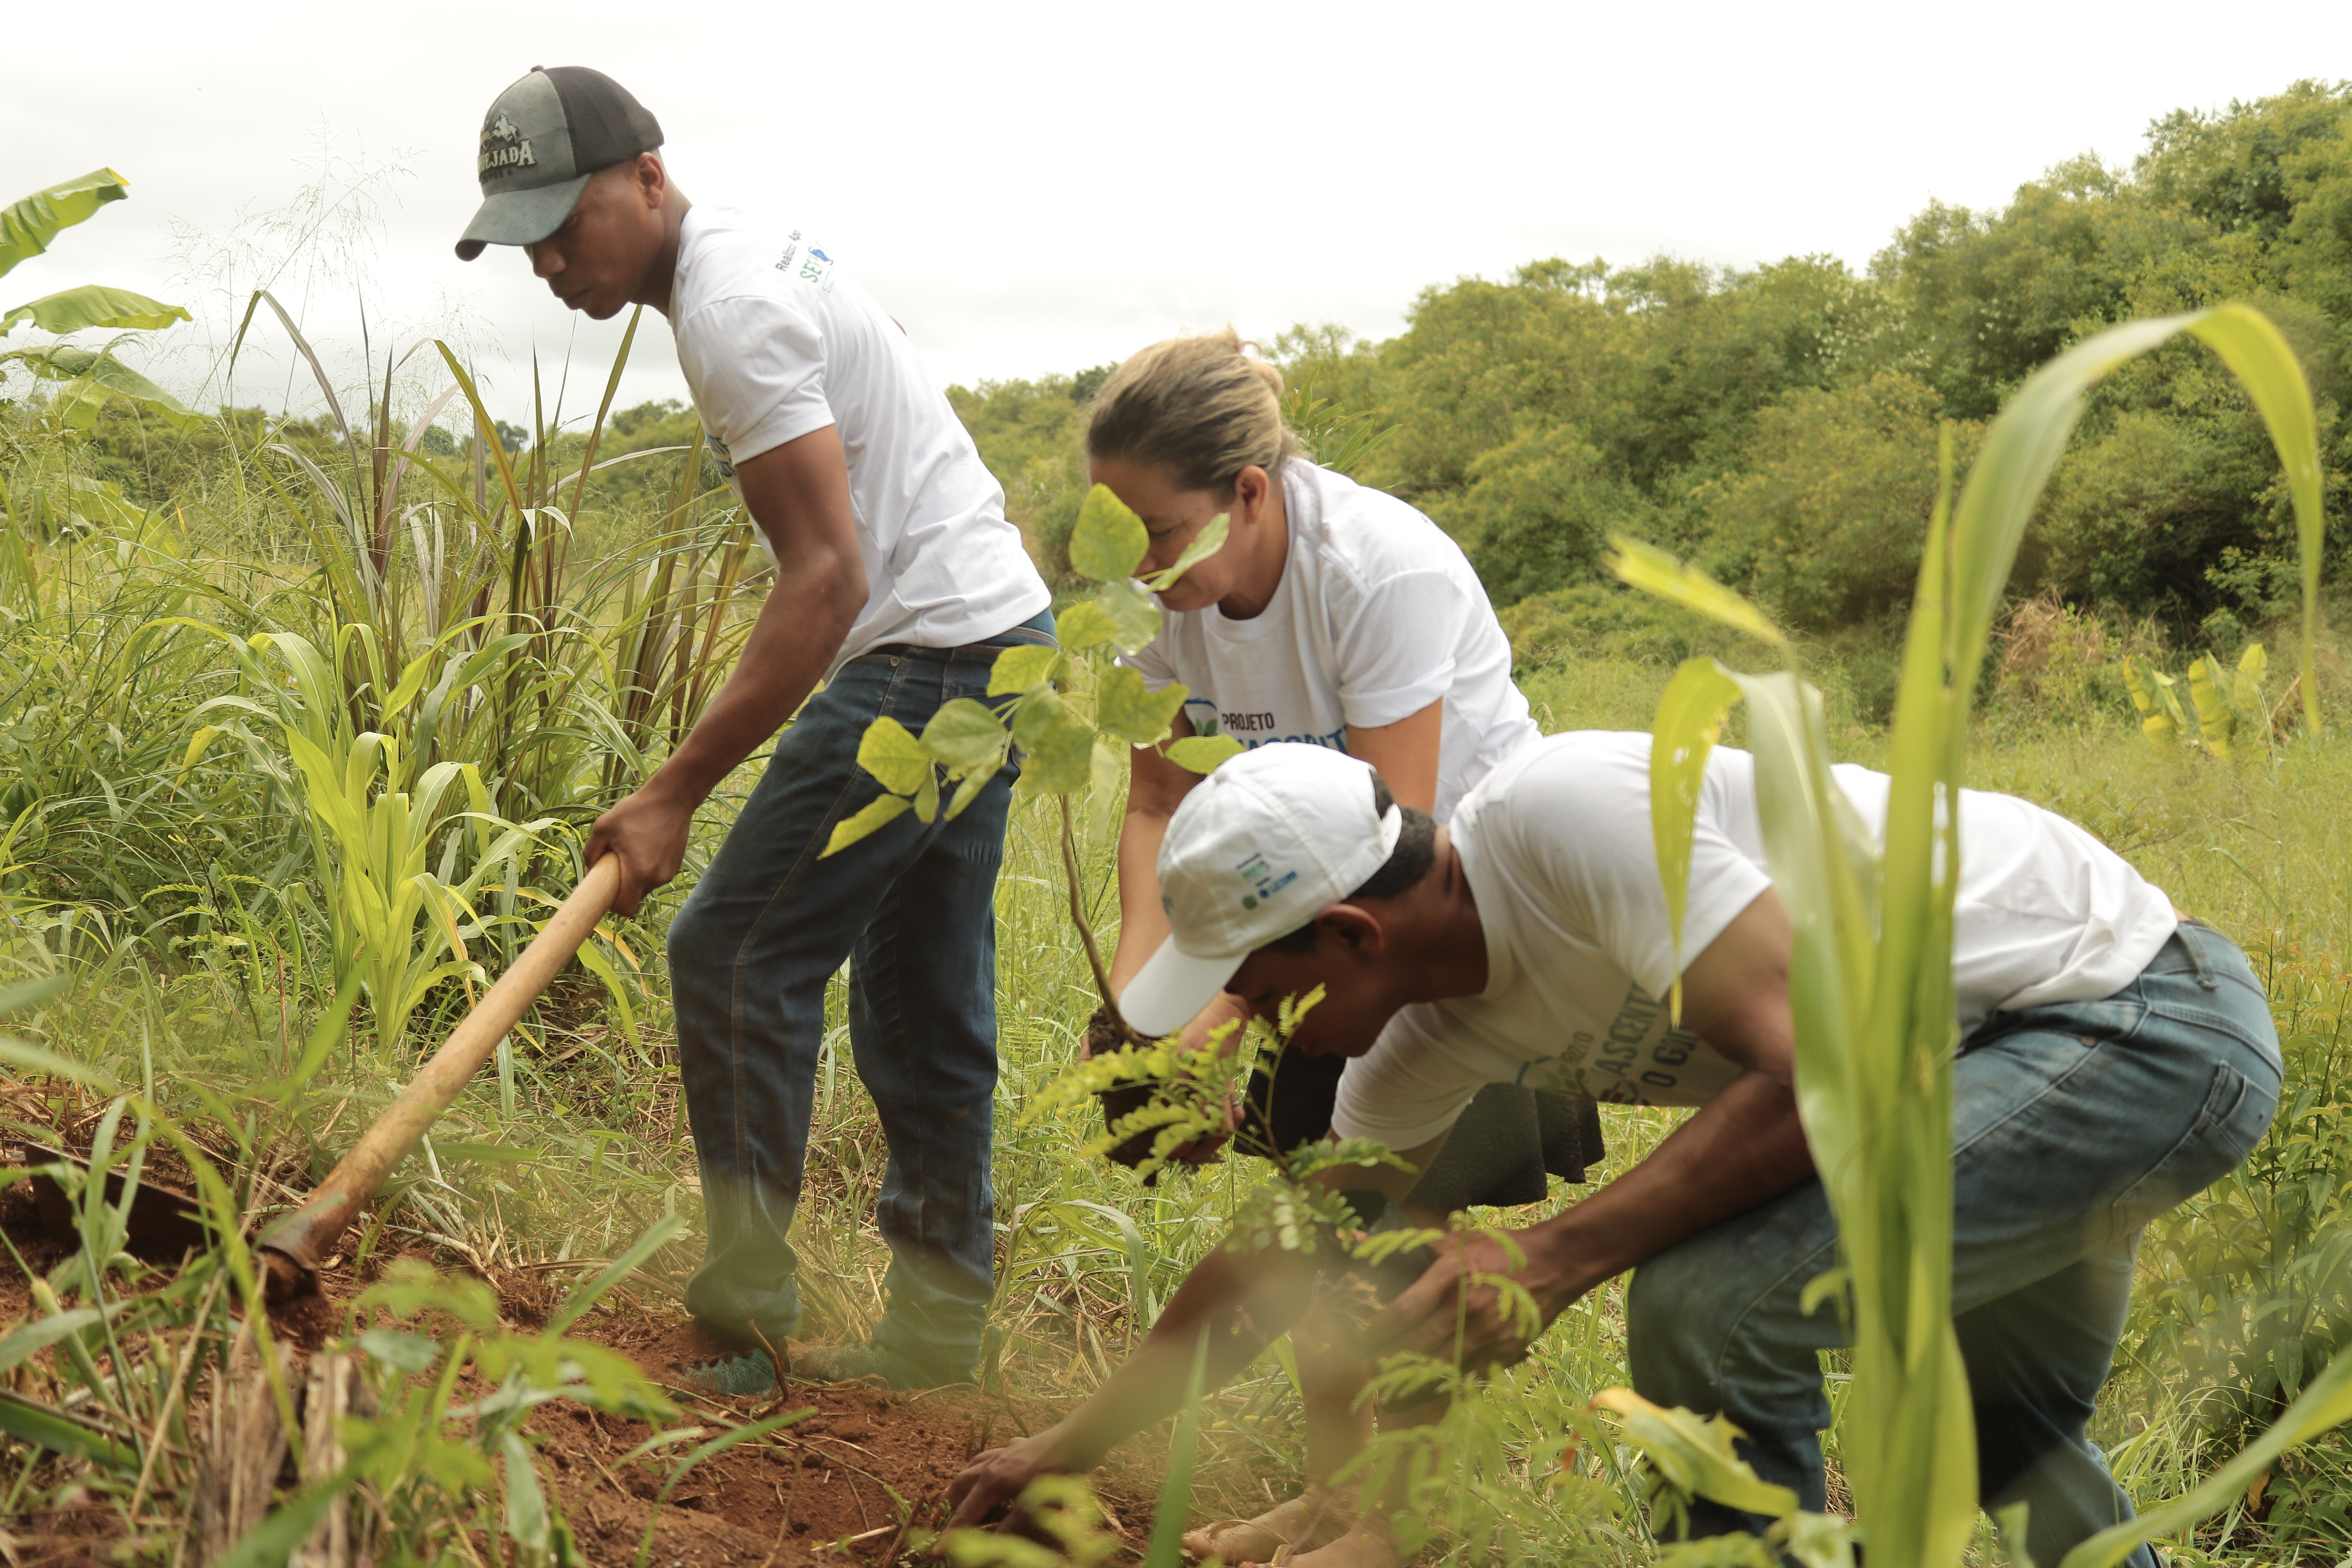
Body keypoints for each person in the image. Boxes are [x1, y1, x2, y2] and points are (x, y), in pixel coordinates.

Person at [946, 739, 2280, 1568]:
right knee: (2015, 1447)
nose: (1245, 1020)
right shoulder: (1423, 1041)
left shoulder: (1567, 814)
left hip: (2134, 1021)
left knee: (1710, 1304)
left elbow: (1835, 1064)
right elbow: (1295, 1258)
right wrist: (1069, 1443)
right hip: (1993, 1065)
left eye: (1248, 981)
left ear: (1350, 934)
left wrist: (1549, 1253)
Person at [454, 66, 1053, 1390]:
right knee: (925, 997)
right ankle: (941, 1337)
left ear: (649, 177)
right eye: (528, 237)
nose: (551, 259)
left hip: (933, 655)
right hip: (1004, 640)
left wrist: (669, 791)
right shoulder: (741, 264)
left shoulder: (727, 306)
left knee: (731, 954)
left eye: (569, 220)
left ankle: (744, 1332)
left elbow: (826, 578)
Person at [1081, 331, 1602, 1559]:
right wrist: (1148, 1015)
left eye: (1160, 534)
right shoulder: (1164, 601)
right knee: (1308, 1206)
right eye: (1120, 538)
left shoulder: (1377, 572)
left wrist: (1220, 1029)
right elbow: (1159, 805)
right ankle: (1335, 1502)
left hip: (1442, 924)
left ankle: (1395, 1521)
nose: (1142, 568)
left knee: (1387, 1232)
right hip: (1296, 912)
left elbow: (1384, 850)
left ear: (1249, 495)